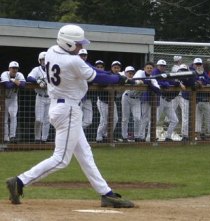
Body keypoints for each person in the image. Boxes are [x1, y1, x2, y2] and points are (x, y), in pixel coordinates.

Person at [6, 24, 134, 208]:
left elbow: (90, 68)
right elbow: (100, 78)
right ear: (68, 43)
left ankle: (106, 193)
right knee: (61, 159)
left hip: (60, 107)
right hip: (69, 110)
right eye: (78, 44)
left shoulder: (51, 51)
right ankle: (19, 181)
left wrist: (115, 75)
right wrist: (117, 78)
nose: (81, 47)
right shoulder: (72, 62)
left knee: (85, 154)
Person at [153, 59, 184, 141]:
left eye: (164, 66)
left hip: (168, 101)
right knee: (155, 119)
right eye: (161, 65)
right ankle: (150, 136)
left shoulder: (164, 73)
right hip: (160, 99)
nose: (162, 67)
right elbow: (156, 82)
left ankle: (168, 137)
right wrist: (166, 84)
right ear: (157, 66)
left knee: (175, 120)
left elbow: (171, 81)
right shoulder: (155, 72)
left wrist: (178, 83)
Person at [27, 52, 50, 143]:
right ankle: (37, 138)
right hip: (40, 97)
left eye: (45, 59)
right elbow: (29, 77)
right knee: (39, 119)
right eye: (42, 60)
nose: (44, 61)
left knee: (47, 120)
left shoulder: (52, 70)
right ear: (39, 61)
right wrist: (38, 81)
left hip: (50, 97)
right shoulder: (37, 69)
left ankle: (44, 139)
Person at [96, 61, 122, 143]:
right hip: (102, 101)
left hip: (112, 101)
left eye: (118, 67)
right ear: (111, 68)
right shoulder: (107, 74)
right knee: (104, 120)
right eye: (115, 67)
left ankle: (107, 135)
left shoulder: (120, 76)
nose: (116, 69)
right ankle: (99, 137)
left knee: (115, 119)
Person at [135, 62, 161, 141]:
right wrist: (148, 83)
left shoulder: (153, 77)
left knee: (151, 119)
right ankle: (140, 136)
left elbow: (158, 90)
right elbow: (136, 80)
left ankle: (149, 137)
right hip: (140, 98)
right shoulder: (140, 72)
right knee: (143, 118)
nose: (149, 69)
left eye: (151, 68)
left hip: (150, 99)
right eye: (148, 68)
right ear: (144, 68)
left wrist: (149, 84)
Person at [193, 58, 210, 141]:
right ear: (194, 65)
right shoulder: (193, 73)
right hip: (196, 100)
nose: (198, 66)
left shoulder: (204, 73)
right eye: (197, 64)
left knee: (209, 118)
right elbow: (194, 82)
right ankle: (198, 135)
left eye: (200, 64)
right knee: (198, 118)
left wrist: (203, 83)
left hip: (205, 99)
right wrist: (202, 83)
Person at [1, 61, 26, 143]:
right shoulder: (4, 74)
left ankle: (12, 136)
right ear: (9, 68)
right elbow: (7, 86)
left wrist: (12, 80)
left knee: (13, 116)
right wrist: (15, 81)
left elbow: (23, 85)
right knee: (4, 119)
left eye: (16, 68)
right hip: (3, 99)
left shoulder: (20, 74)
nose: (14, 70)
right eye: (13, 68)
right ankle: (5, 138)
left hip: (13, 99)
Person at [121, 66, 141, 142]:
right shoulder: (123, 77)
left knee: (137, 118)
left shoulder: (138, 78)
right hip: (126, 97)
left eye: (132, 73)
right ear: (126, 73)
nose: (131, 74)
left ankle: (137, 136)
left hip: (136, 99)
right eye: (129, 73)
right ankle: (124, 137)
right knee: (125, 118)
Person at [78, 49, 93, 130]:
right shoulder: (75, 65)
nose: (83, 57)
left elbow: (93, 75)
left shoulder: (88, 65)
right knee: (77, 119)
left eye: (85, 55)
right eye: (81, 55)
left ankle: (76, 131)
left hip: (86, 97)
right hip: (77, 97)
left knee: (88, 120)